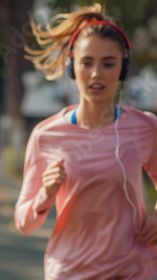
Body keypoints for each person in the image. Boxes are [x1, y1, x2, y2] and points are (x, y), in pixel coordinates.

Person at [15, 3, 157, 279]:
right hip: (70, 271)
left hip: (135, 269)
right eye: (87, 63)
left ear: (123, 68)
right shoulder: (46, 135)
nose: (96, 74)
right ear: (72, 67)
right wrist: (46, 192)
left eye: (108, 63)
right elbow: (23, 223)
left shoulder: (146, 127)